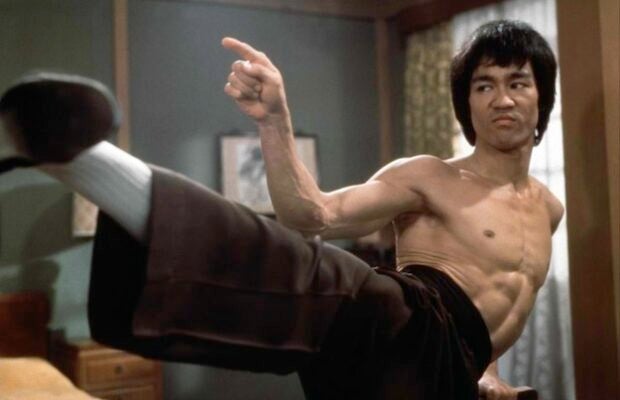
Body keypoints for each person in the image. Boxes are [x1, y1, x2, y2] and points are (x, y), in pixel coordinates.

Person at [0, 20, 561, 400]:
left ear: (542, 98)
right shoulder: (429, 175)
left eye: (517, 83)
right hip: (408, 323)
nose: (502, 98)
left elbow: (496, 302)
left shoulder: (549, 209)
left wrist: (487, 371)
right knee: (330, 282)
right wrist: (274, 121)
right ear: (467, 104)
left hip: (446, 376)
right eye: (483, 86)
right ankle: (80, 159)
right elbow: (312, 215)